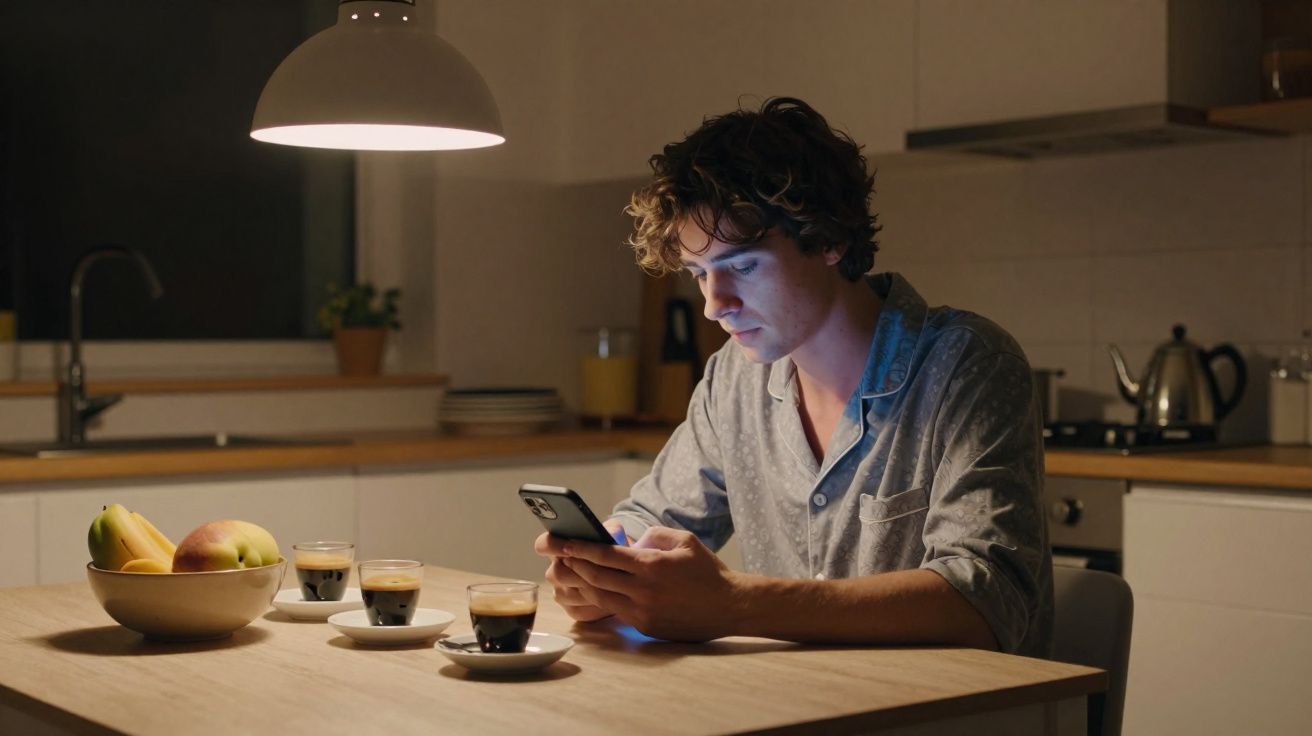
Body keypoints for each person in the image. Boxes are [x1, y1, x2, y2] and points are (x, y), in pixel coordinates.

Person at [535, 97, 1052, 658]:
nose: (714, 305)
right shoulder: (734, 377)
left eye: (742, 266)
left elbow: (983, 602)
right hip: (797, 698)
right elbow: (652, 520)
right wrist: (606, 569)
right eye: (699, 274)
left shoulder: (967, 365)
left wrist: (733, 603)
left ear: (830, 239)